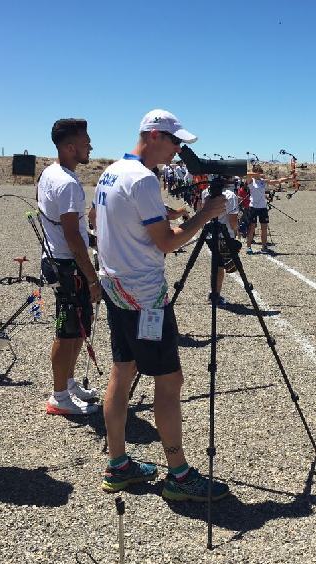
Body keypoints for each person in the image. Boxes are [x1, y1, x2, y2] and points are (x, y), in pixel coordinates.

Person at [90, 108, 230, 501]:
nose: (177, 149)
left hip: (116, 286)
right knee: (168, 383)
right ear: (153, 136)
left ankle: (118, 465)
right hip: (144, 295)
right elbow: (166, 243)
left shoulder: (111, 171)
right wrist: (205, 214)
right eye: (174, 141)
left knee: (122, 373)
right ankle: (179, 476)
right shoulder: (143, 180)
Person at [37, 119, 102, 416]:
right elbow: (72, 236)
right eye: (86, 141)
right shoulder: (66, 183)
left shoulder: (52, 174)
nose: (91, 145)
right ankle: (59, 395)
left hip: (59, 259)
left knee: (78, 328)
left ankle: (69, 382)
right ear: (70, 147)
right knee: (66, 332)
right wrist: (90, 277)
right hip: (66, 264)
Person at [198, 176, 240, 305]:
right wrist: (236, 230)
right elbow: (232, 219)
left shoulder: (206, 192)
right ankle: (215, 295)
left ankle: (214, 293)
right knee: (221, 266)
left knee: (216, 264)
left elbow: (201, 211)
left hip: (210, 233)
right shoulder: (230, 195)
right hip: (225, 235)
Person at [244, 164, 288, 254]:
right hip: (253, 207)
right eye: (259, 173)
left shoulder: (263, 181)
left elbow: (277, 181)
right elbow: (247, 174)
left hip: (263, 207)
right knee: (252, 227)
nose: (261, 175)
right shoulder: (250, 181)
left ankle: (264, 246)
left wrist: (290, 178)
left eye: (261, 173)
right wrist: (256, 174)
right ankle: (248, 247)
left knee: (264, 228)